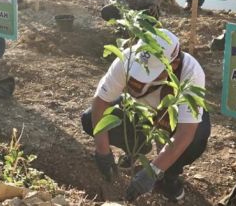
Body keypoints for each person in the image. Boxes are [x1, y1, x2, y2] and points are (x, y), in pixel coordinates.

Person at [81, 29, 210, 201]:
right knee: (90, 119)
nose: (143, 78)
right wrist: (102, 151)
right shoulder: (127, 59)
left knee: (196, 138)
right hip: (139, 113)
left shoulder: (191, 73)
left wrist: (153, 172)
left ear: (173, 64)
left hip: (173, 120)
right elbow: (101, 102)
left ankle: (169, 176)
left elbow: (186, 132)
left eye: (152, 71)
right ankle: (138, 147)